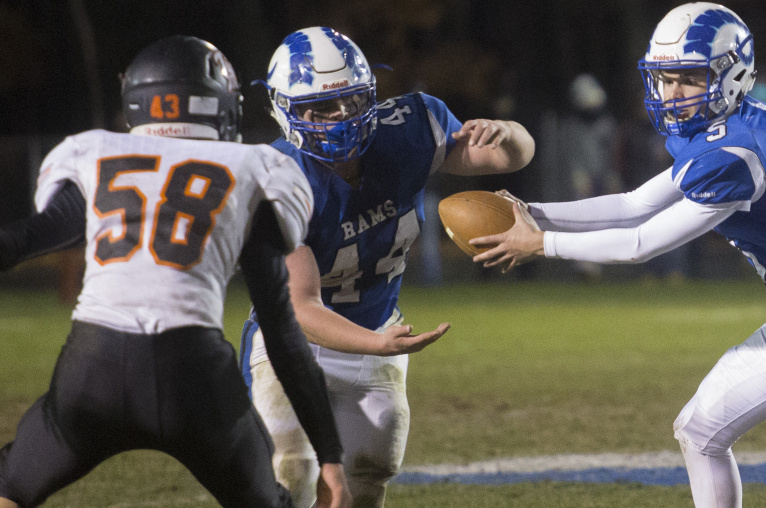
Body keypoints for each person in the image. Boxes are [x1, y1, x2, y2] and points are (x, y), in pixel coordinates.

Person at [470, 3, 766, 506]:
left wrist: (543, 243)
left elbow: (642, 242)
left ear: (732, 74)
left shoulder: (737, 152)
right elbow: (633, 203)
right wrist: (535, 211)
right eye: (663, 78)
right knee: (700, 431)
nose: (670, 93)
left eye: (687, 78)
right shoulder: (733, 123)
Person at [0, 36, 352, 508]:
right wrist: (330, 455)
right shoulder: (253, 168)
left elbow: (21, 240)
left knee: (11, 486)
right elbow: (282, 330)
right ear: (220, 105)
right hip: (193, 377)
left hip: (93, 368)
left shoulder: (98, 155)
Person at [239, 27, 535, 508]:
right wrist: (377, 344)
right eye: (320, 109)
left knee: (370, 474)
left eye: (352, 103)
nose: (340, 119)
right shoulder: (276, 178)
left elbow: (510, 156)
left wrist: (510, 133)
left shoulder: (409, 128)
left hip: (377, 327)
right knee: (288, 471)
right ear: (284, 109)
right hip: (290, 345)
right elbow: (299, 306)